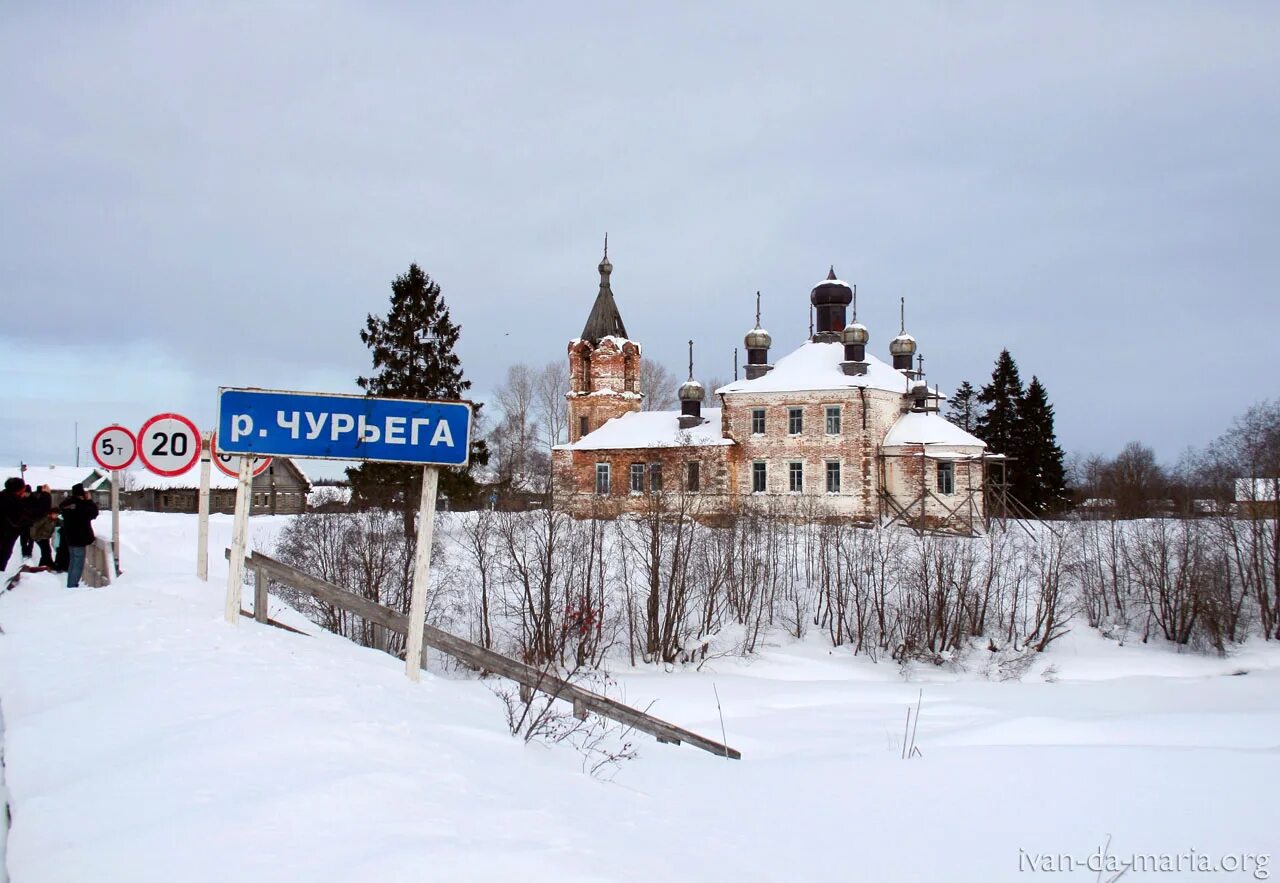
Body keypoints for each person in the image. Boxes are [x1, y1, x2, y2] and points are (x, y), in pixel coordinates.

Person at [59, 483, 99, 588]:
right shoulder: (81, 505)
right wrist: (89, 500)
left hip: (69, 537)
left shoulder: (67, 504)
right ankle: (72, 586)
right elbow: (94, 513)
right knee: (78, 564)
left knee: (72, 562)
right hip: (79, 538)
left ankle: (70, 584)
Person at [0, 477, 25, 570]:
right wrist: (46, 496)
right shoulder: (14, 502)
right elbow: (30, 515)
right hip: (5, 537)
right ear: (20, 490)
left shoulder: (3, 496)